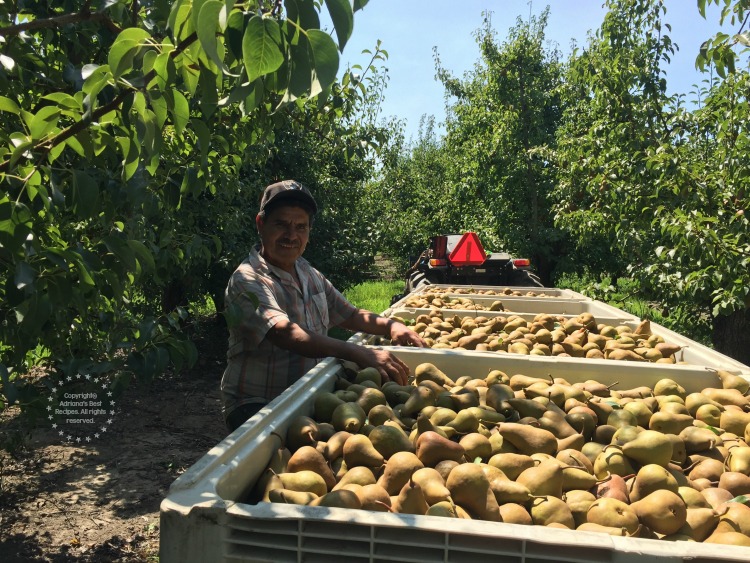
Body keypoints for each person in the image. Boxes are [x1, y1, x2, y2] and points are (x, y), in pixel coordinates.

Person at [220, 180, 427, 432]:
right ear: (261, 224)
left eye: (300, 227)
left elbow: (349, 314)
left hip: (309, 392)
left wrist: (391, 326)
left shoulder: (307, 272)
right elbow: (286, 333)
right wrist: (358, 352)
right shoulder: (248, 279)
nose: (291, 235)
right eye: (281, 224)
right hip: (258, 402)